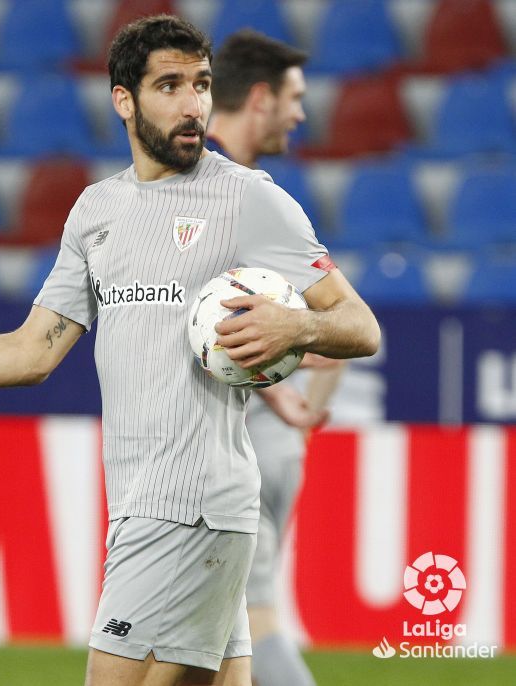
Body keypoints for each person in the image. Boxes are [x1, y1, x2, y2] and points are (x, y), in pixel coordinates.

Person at [0, 16, 380, 686]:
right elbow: (32, 351)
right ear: (123, 100)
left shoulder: (248, 198)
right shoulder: (96, 212)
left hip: (189, 508)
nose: (193, 104)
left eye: (202, 84)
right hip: (146, 505)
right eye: (169, 85)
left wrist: (294, 326)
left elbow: (357, 324)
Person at [207, 30, 348, 686]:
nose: (301, 113)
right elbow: (330, 327)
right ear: (259, 98)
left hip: (229, 439)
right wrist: (294, 394)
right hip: (267, 436)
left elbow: (212, 321)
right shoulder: (256, 198)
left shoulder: (216, 194)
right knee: (215, 634)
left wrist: (284, 373)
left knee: (243, 621)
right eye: (294, 98)